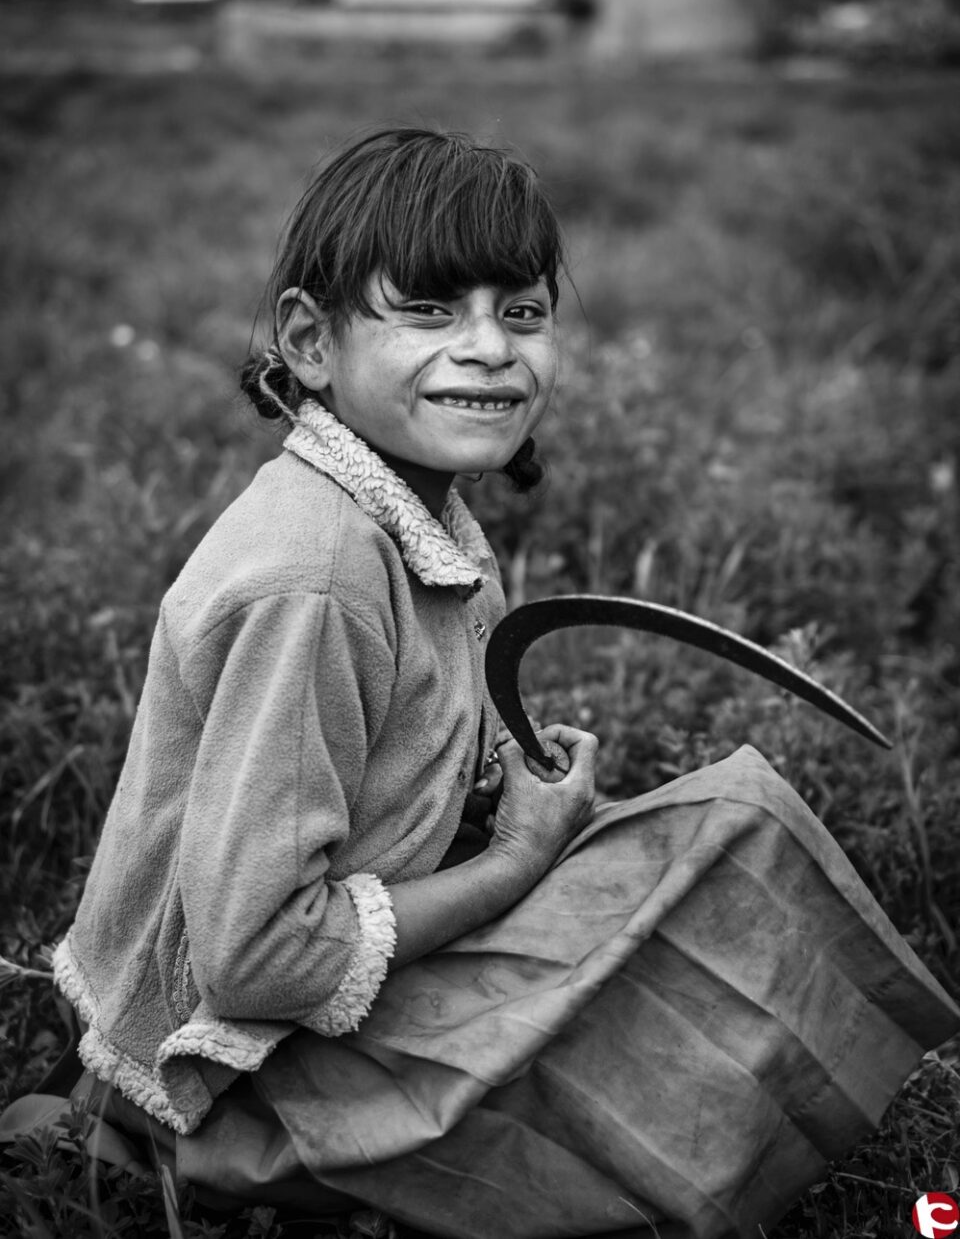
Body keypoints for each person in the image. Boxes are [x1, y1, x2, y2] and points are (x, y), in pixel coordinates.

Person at [4, 128, 957, 1239]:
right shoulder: (314, 580)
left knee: (720, 840)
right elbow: (257, 957)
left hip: (303, 997)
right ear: (311, 341)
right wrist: (517, 863)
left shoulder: (412, 514)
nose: (490, 348)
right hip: (230, 1064)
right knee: (709, 878)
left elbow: (386, 784)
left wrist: (500, 789)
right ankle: (152, 1147)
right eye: (430, 311)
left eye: (522, 312)